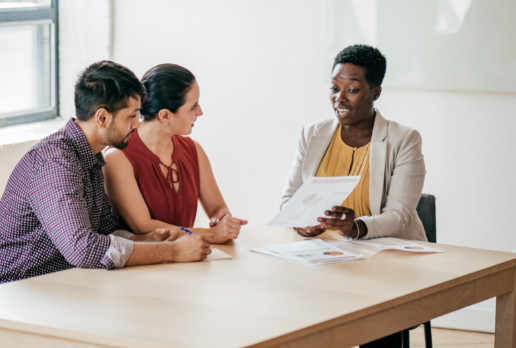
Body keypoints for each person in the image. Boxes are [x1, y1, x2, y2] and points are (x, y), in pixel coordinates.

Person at [0, 61, 212, 284]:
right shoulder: (56, 162)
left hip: (60, 283)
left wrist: (147, 239)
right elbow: (82, 249)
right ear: (102, 118)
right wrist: (173, 252)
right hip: (17, 288)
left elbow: (106, 231)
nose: (137, 125)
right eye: (131, 116)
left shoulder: (89, 157)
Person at [280, 45, 426, 348]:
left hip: (382, 260)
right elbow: (289, 201)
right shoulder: (313, 134)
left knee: (377, 322)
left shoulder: (404, 139)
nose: (339, 98)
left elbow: (399, 217)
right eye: (334, 88)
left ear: (375, 92)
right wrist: (303, 225)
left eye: (353, 89)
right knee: (297, 318)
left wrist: (355, 226)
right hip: (324, 258)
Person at [103, 64, 247, 243]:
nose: (200, 112)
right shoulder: (117, 158)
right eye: (193, 107)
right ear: (165, 116)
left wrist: (223, 219)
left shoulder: (194, 150)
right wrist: (211, 234)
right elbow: (142, 226)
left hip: (187, 259)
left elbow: (217, 208)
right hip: (141, 266)